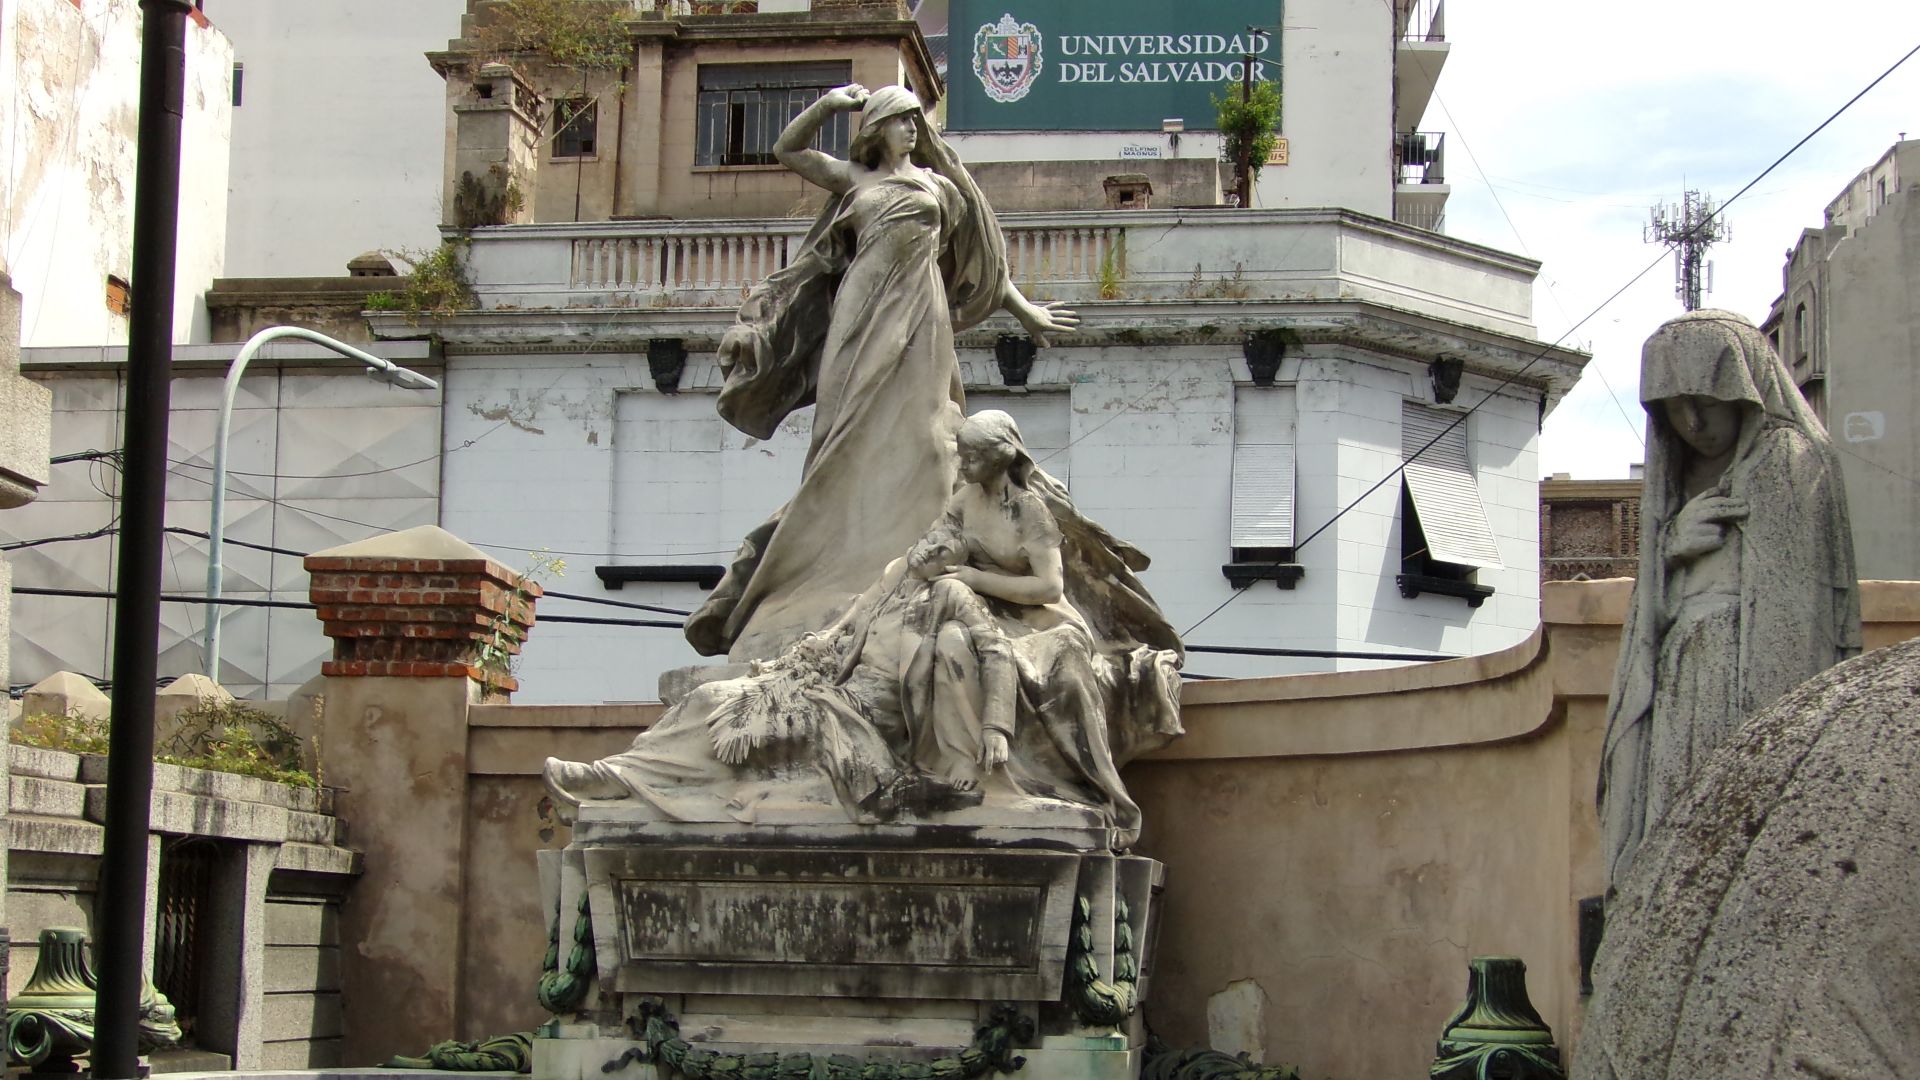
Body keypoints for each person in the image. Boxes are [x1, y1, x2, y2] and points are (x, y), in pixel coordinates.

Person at [545, 412, 1184, 848]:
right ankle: (624, 774)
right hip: (827, 683)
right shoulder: (913, 563)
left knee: (760, 729)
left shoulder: (969, 582)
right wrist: (813, 652)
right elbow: (853, 618)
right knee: (715, 698)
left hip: (879, 701)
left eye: (968, 456)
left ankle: (639, 779)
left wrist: (991, 722)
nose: (958, 466)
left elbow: (1020, 615)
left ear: (999, 458)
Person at [684, 83, 1077, 663]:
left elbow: (977, 261)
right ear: (876, 129)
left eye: (916, 120)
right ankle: (825, 564)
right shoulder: (855, 180)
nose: (912, 129)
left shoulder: (941, 185)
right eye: (899, 120)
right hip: (859, 314)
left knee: (927, 438)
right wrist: (832, 104)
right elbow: (788, 150)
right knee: (842, 435)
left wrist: (1025, 310)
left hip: (922, 314)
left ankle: (911, 559)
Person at [1597, 310, 1861, 889]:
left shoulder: (1786, 461)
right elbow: (1651, 622)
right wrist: (1669, 548)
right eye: (1674, 405)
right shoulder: (1676, 480)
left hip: (1743, 689)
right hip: (1681, 687)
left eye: (1707, 401)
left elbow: (1796, 627)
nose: (1692, 422)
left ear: (1742, 390)